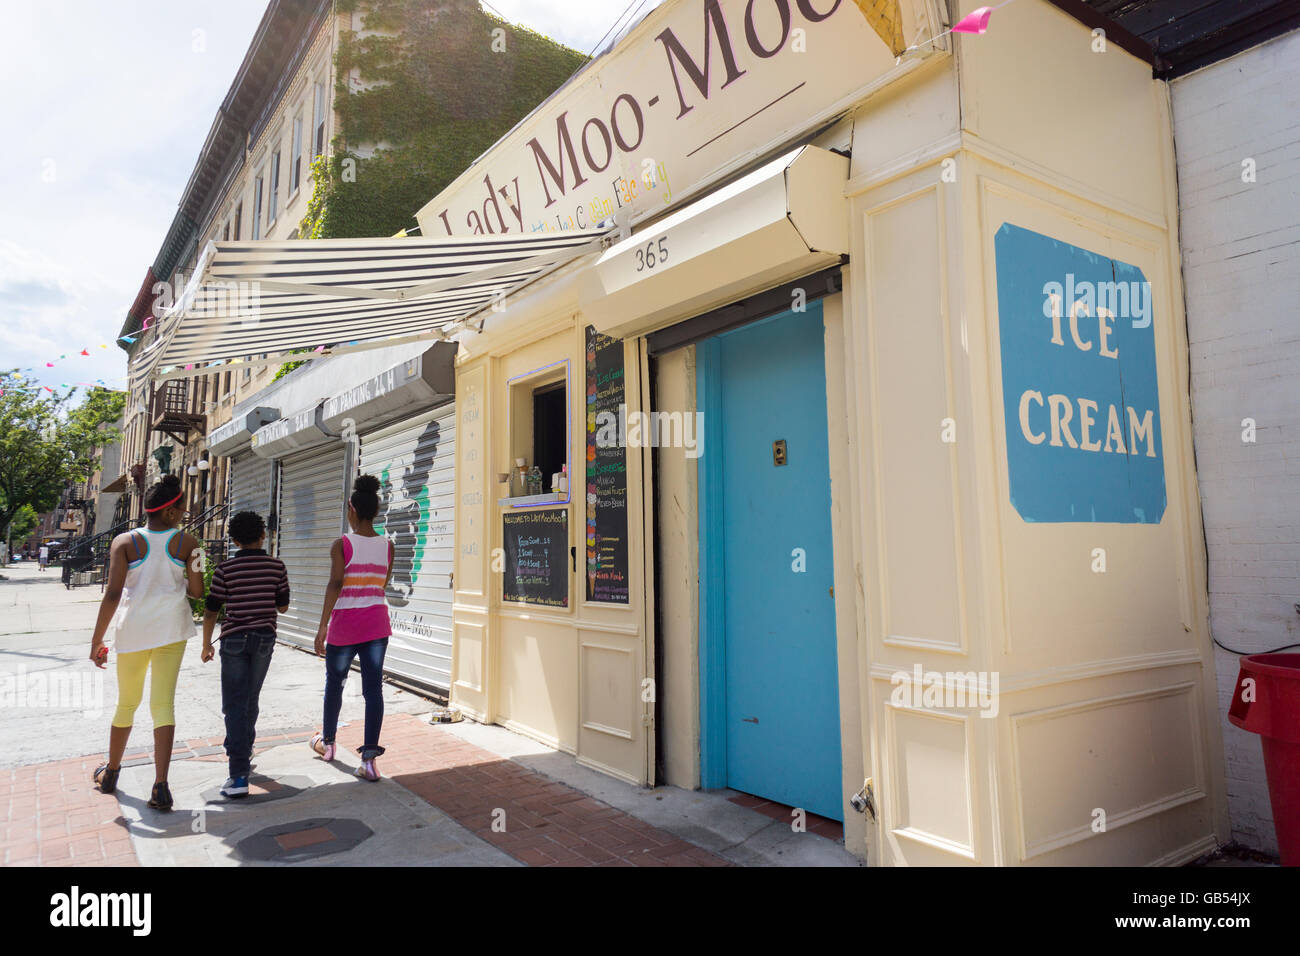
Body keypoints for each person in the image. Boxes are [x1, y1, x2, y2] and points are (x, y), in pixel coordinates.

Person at [88, 475, 203, 810]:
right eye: (181, 507)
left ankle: (111, 772)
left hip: (133, 631)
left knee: (127, 703)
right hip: (172, 630)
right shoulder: (189, 543)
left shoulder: (124, 542)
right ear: (169, 512)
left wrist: (96, 641)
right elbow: (197, 592)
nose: (184, 512)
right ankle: (161, 786)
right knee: (162, 705)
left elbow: (112, 594)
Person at [200, 510, 290, 798]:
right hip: (264, 640)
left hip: (234, 640)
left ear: (234, 540)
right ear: (263, 535)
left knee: (234, 704)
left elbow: (212, 608)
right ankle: (243, 748)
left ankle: (238, 775)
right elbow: (283, 607)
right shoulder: (277, 567)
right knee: (250, 699)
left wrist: (206, 644)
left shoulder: (225, 570)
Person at [309, 474, 393, 781]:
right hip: (376, 626)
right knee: (374, 691)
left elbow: (335, 584)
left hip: (344, 627)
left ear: (351, 509)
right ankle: (369, 761)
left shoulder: (341, 544)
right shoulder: (388, 546)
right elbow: (380, 585)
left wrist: (322, 627)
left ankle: (328, 744)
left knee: (335, 684)